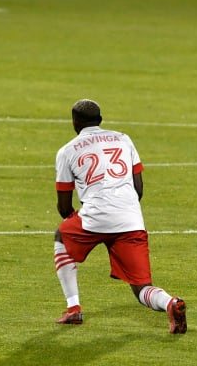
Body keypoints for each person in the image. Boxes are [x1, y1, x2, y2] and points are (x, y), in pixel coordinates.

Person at [52, 99, 187, 334]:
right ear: (101, 120)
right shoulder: (124, 139)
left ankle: (73, 308)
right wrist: (124, 211)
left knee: (62, 237)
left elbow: (64, 206)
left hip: (93, 218)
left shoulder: (67, 150)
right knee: (141, 287)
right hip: (130, 218)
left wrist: (83, 218)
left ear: (74, 123)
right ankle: (171, 303)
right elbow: (139, 188)